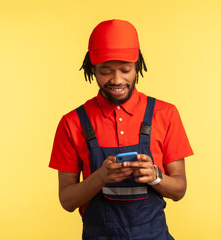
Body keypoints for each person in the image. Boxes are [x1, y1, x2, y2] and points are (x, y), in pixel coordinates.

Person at [49, 19, 193, 240]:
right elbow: (67, 201)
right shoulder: (73, 122)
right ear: (92, 68)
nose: (117, 80)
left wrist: (155, 176)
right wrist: (100, 177)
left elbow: (179, 190)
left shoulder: (165, 113)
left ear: (138, 66)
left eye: (125, 70)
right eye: (106, 71)